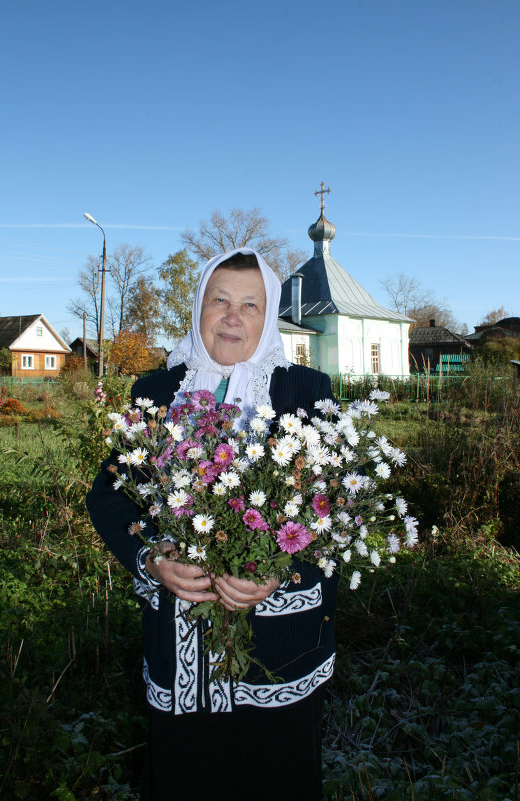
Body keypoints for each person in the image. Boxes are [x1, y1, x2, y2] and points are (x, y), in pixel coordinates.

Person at [86, 248, 339, 801]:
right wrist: (149, 557)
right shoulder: (154, 392)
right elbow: (107, 495)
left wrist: (278, 570)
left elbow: (336, 507)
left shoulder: (307, 391)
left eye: (250, 304)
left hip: (278, 653)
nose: (232, 316)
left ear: (268, 315)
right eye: (219, 299)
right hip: (180, 661)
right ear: (198, 306)